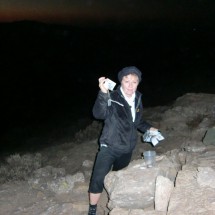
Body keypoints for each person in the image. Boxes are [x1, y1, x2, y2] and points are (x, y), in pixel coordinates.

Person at [88, 66, 157, 215]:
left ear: (138, 83)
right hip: (110, 147)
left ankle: (116, 199)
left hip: (127, 148)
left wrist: (150, 128)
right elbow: (99, 113)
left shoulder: (138, 98)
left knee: (118, 176)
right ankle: (92, 209)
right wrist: (103, 93)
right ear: (121, 82)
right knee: (98, 179)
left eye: (134, 82)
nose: (130, 85)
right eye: (127, 81)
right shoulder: (113, 97)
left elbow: (137, 121)